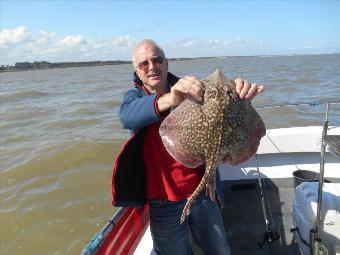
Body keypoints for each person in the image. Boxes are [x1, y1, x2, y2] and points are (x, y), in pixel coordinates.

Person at [111, 39, 265, 255]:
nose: (152, 66)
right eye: (144, 64)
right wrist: (171, 98)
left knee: (220, 250)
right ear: (137, 71)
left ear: (166, 63)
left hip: (204, 191)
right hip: (163, 198)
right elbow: (127, 117)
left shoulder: (193, 88)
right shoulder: (135, 97)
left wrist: (240, 97)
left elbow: (225, 116)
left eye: (157, 60)